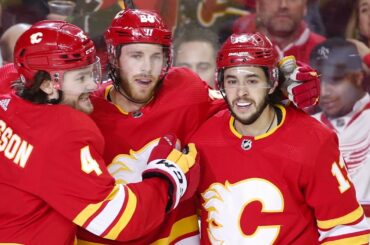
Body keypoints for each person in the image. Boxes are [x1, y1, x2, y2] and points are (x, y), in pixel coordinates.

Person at [78, 8, 321, 245]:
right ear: (114, 55)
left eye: (156, 56)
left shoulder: (185, 90)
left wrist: (281, 83)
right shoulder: (85, 111)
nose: (146, 68)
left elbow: (239, 103)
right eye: (136, 55)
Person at [0, 20, 198, 244]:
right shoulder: (61, 135)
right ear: (46, 85)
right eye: (80, 78)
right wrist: (168, 176)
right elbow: (121, 220)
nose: (92, 86)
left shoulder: (8, 94)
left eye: (91, 73)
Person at [190, 32, 370, 244]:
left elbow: (346, 229)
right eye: (232, 81)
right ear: (221, 84)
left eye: (252, 80)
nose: (241, 92)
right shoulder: (202, 140)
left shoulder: (313, 140)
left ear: (273, 82)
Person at [310, 38, 370, 224]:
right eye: (318, 80)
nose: (324, 91)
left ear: (358, 77)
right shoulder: (306, 127)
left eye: (335, 79)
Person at [232, 0, 325, 64]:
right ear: (258, 5)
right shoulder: (234, 51)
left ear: (305, 6)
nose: (283, 5)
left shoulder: (324, 51)